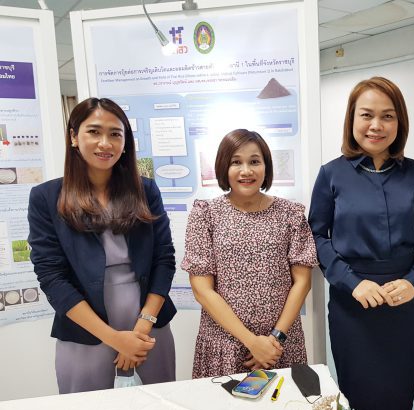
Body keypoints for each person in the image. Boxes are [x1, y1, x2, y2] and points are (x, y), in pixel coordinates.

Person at [308, 77, 414, 410]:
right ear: (352, 119)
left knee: (399, 394)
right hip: (352, 304)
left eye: (387, 116)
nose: (376, 125)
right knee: (355, 399)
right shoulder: (331, 174)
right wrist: (352, 283)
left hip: (403, 301)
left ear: (400, 123)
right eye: (367, 115)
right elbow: (317, 237)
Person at [28, 98, 176, 393]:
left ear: (125, 141)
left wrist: (142, 327)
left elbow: (164, 259)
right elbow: (52, 277)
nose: (105, 143)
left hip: (148, 327)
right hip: (85, 331)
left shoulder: (145, 190)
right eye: (94, 132)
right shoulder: (46, 197)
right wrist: (115, 339)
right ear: (74, 136)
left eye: (115, 134)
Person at [181, 129, 318, 378]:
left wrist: (275, 339)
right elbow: (202, 289)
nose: (246, 171)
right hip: (224, 343)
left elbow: (302, 282)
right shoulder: (206, 215)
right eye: (236, 162)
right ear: (224, 166)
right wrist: (252, 342)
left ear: (266, 166)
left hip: (279, 345)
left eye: (254, 161)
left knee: (283, 402)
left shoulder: (290, 214)